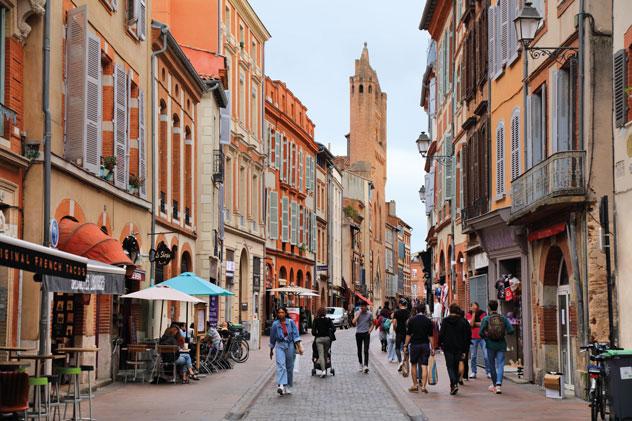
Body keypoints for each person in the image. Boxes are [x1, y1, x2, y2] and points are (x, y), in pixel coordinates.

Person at [479, 300, 514, 394]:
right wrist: (503, 334)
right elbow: (511, 330)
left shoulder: (486, 319)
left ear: (488, 308)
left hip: (490, 345)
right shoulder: (503, 318)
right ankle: (498, 384)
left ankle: (494, 385)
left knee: (492, 365)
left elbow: (480, 333)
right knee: (501, 364)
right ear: (497, 307)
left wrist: (487, 339)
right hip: (501, 344)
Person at [270, 307, 304, 396]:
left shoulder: (291, 322)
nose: (281, 314)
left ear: (285, 313)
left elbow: (296, 334)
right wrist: (271, 349)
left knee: (289, 367)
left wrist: (299, 347)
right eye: (279, 312)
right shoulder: (275, 324)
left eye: (282, 312)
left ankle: (288, 386)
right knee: (281, 365)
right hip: (280, 346)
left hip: (290, 345)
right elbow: (272, 338)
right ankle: (281, 385)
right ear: (277, 314)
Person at [439, 304, 471, 395]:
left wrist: (440, 344)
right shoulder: (463, 321)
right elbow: (468, 335)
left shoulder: (445, 321)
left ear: (449, 310)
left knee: (450, 366)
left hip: (448, 347)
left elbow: (441, 334)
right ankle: (455, 383)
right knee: (456, 365)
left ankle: (454, 383)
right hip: (460, 348)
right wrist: (465, 349)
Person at [402, 302, 434, 393]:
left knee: (414, 364)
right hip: (425, 345)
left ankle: (415, 385)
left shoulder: (412, 320)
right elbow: (430, 336)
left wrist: (405, 345)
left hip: (415, 345)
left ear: (416, 310)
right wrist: (433, 347)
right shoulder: (428, 321)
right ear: (424, 311)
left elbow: (408, 334)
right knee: (424, 365)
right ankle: (423, 386)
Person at [466, 302, 490, 379]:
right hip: (473, 337)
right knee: (473, 356)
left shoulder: (483, 313)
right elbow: (471, 324)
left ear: (478, 308)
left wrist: (475, 324)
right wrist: (473, 314)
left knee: (486, 355)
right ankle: (473, 372)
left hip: (483, 337)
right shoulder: (468, 314)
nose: (474, 309)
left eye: (475, 308)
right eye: (472, 308)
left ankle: (488, 371)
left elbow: (484, 324)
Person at [312, 307, 336, 378]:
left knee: (321, 355)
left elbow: (313, 332)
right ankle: (325, 368)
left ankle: (323, 371)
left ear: (318, 313)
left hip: (319, 339)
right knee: (325, 354)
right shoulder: (328, 320)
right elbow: (334, 329)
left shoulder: (316, 320)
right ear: (325, 313)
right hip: (327, 339)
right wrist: (329, 333)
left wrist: (317, 335)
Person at [352, 301, 374, 373]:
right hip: (358, 333)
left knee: (366, 350)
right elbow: (353, 322)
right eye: (361, 306)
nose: (362, 308)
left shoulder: (369, 314)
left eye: (363, 306)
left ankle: (366, 365)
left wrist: (370, 330)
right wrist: (358, 315)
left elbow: (372, 324)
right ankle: (360, 364)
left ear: (366, 307)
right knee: (359, 350)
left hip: (366, 334)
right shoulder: (357, 313)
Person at [392, 298, 411, 369]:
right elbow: (409, 323)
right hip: (406, 333)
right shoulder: (408, 312)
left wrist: (395, 330)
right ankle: (405, 361)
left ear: (400, 304)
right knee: (405, 347)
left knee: (397, 348)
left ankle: (400, 362)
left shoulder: (396, 312)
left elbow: (394, 323)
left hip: (398, 332)